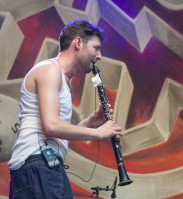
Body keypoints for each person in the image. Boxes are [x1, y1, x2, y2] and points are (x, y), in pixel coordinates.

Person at [8, 20, 122, 199]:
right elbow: (51, 126)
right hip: (39, 164)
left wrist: (89, 123)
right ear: (78, 43)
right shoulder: (50, 70)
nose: (99, 56)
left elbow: (54, 133)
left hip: (38, 166)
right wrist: (99, 133)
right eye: (96, 48)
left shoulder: (62, 80)